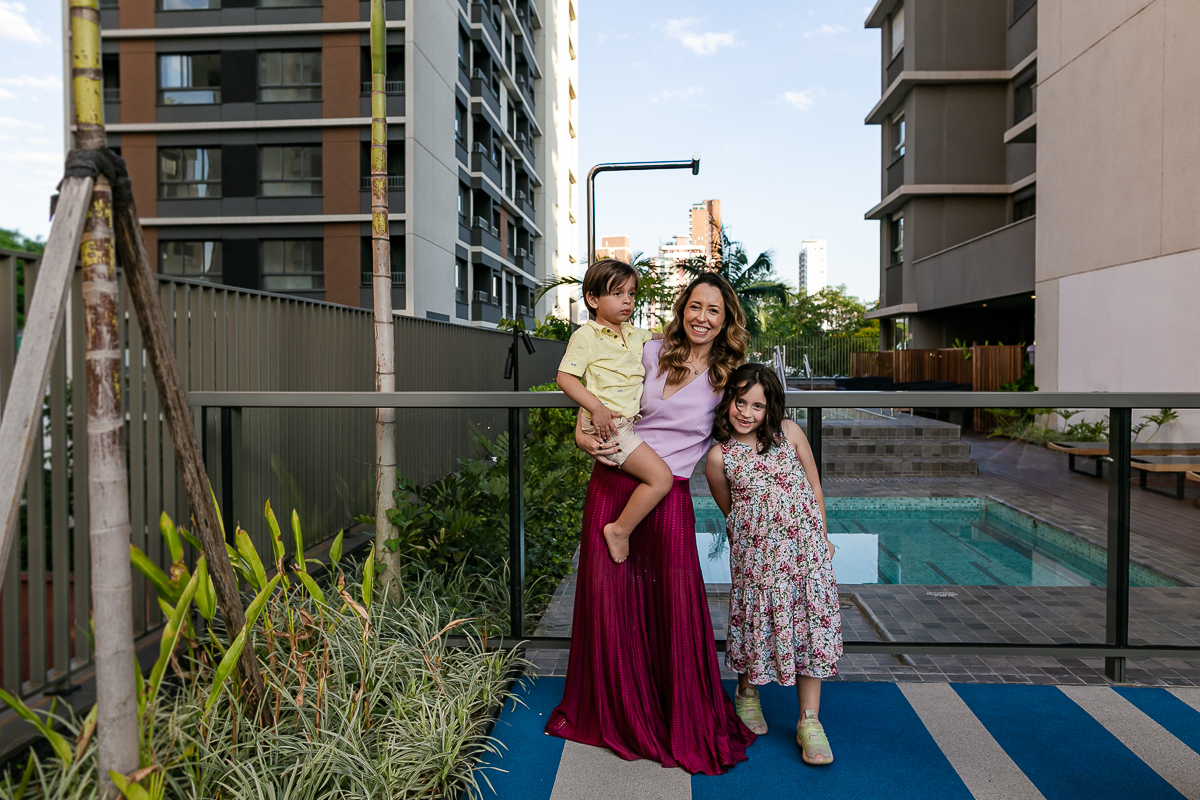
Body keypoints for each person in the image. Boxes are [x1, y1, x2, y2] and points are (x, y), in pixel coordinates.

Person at [546, 272, 757, 776]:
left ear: (726, 320)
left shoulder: (730, 376)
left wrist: (795, 467)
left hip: (668, 497)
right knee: (611, 602)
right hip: (614, 484)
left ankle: (668, 709)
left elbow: (760, 421)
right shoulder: (648, 349)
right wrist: (582, 439)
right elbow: (596, 396)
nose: (702, 318)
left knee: (671, 607)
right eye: (695, 306)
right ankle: (614, 707)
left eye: (714, 310)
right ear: (682, 308)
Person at [704, 364, 843, 765]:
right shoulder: (719, 458)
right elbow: (732, 510)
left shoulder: (790, 434)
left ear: (771, 408)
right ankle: (747, 692)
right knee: (756, 627)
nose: (746, 413)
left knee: (808, 631)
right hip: (758, 566)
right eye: (740, 402)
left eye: (757, 406)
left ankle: (809, 720)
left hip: (806, 559)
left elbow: (813, 484)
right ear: (728, 401)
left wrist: (821, 537)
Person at [556, 259, 674, 563]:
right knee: (661, 479)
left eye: (631, 294)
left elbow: (666, 339)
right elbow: (565, 377)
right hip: (608, 425)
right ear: (593, 299)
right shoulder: (587, 336)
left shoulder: (634, 334)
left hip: (623, 423)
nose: (627, 300)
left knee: (656, 476)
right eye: (617, 293)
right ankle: (619, 531)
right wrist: (596, 408)